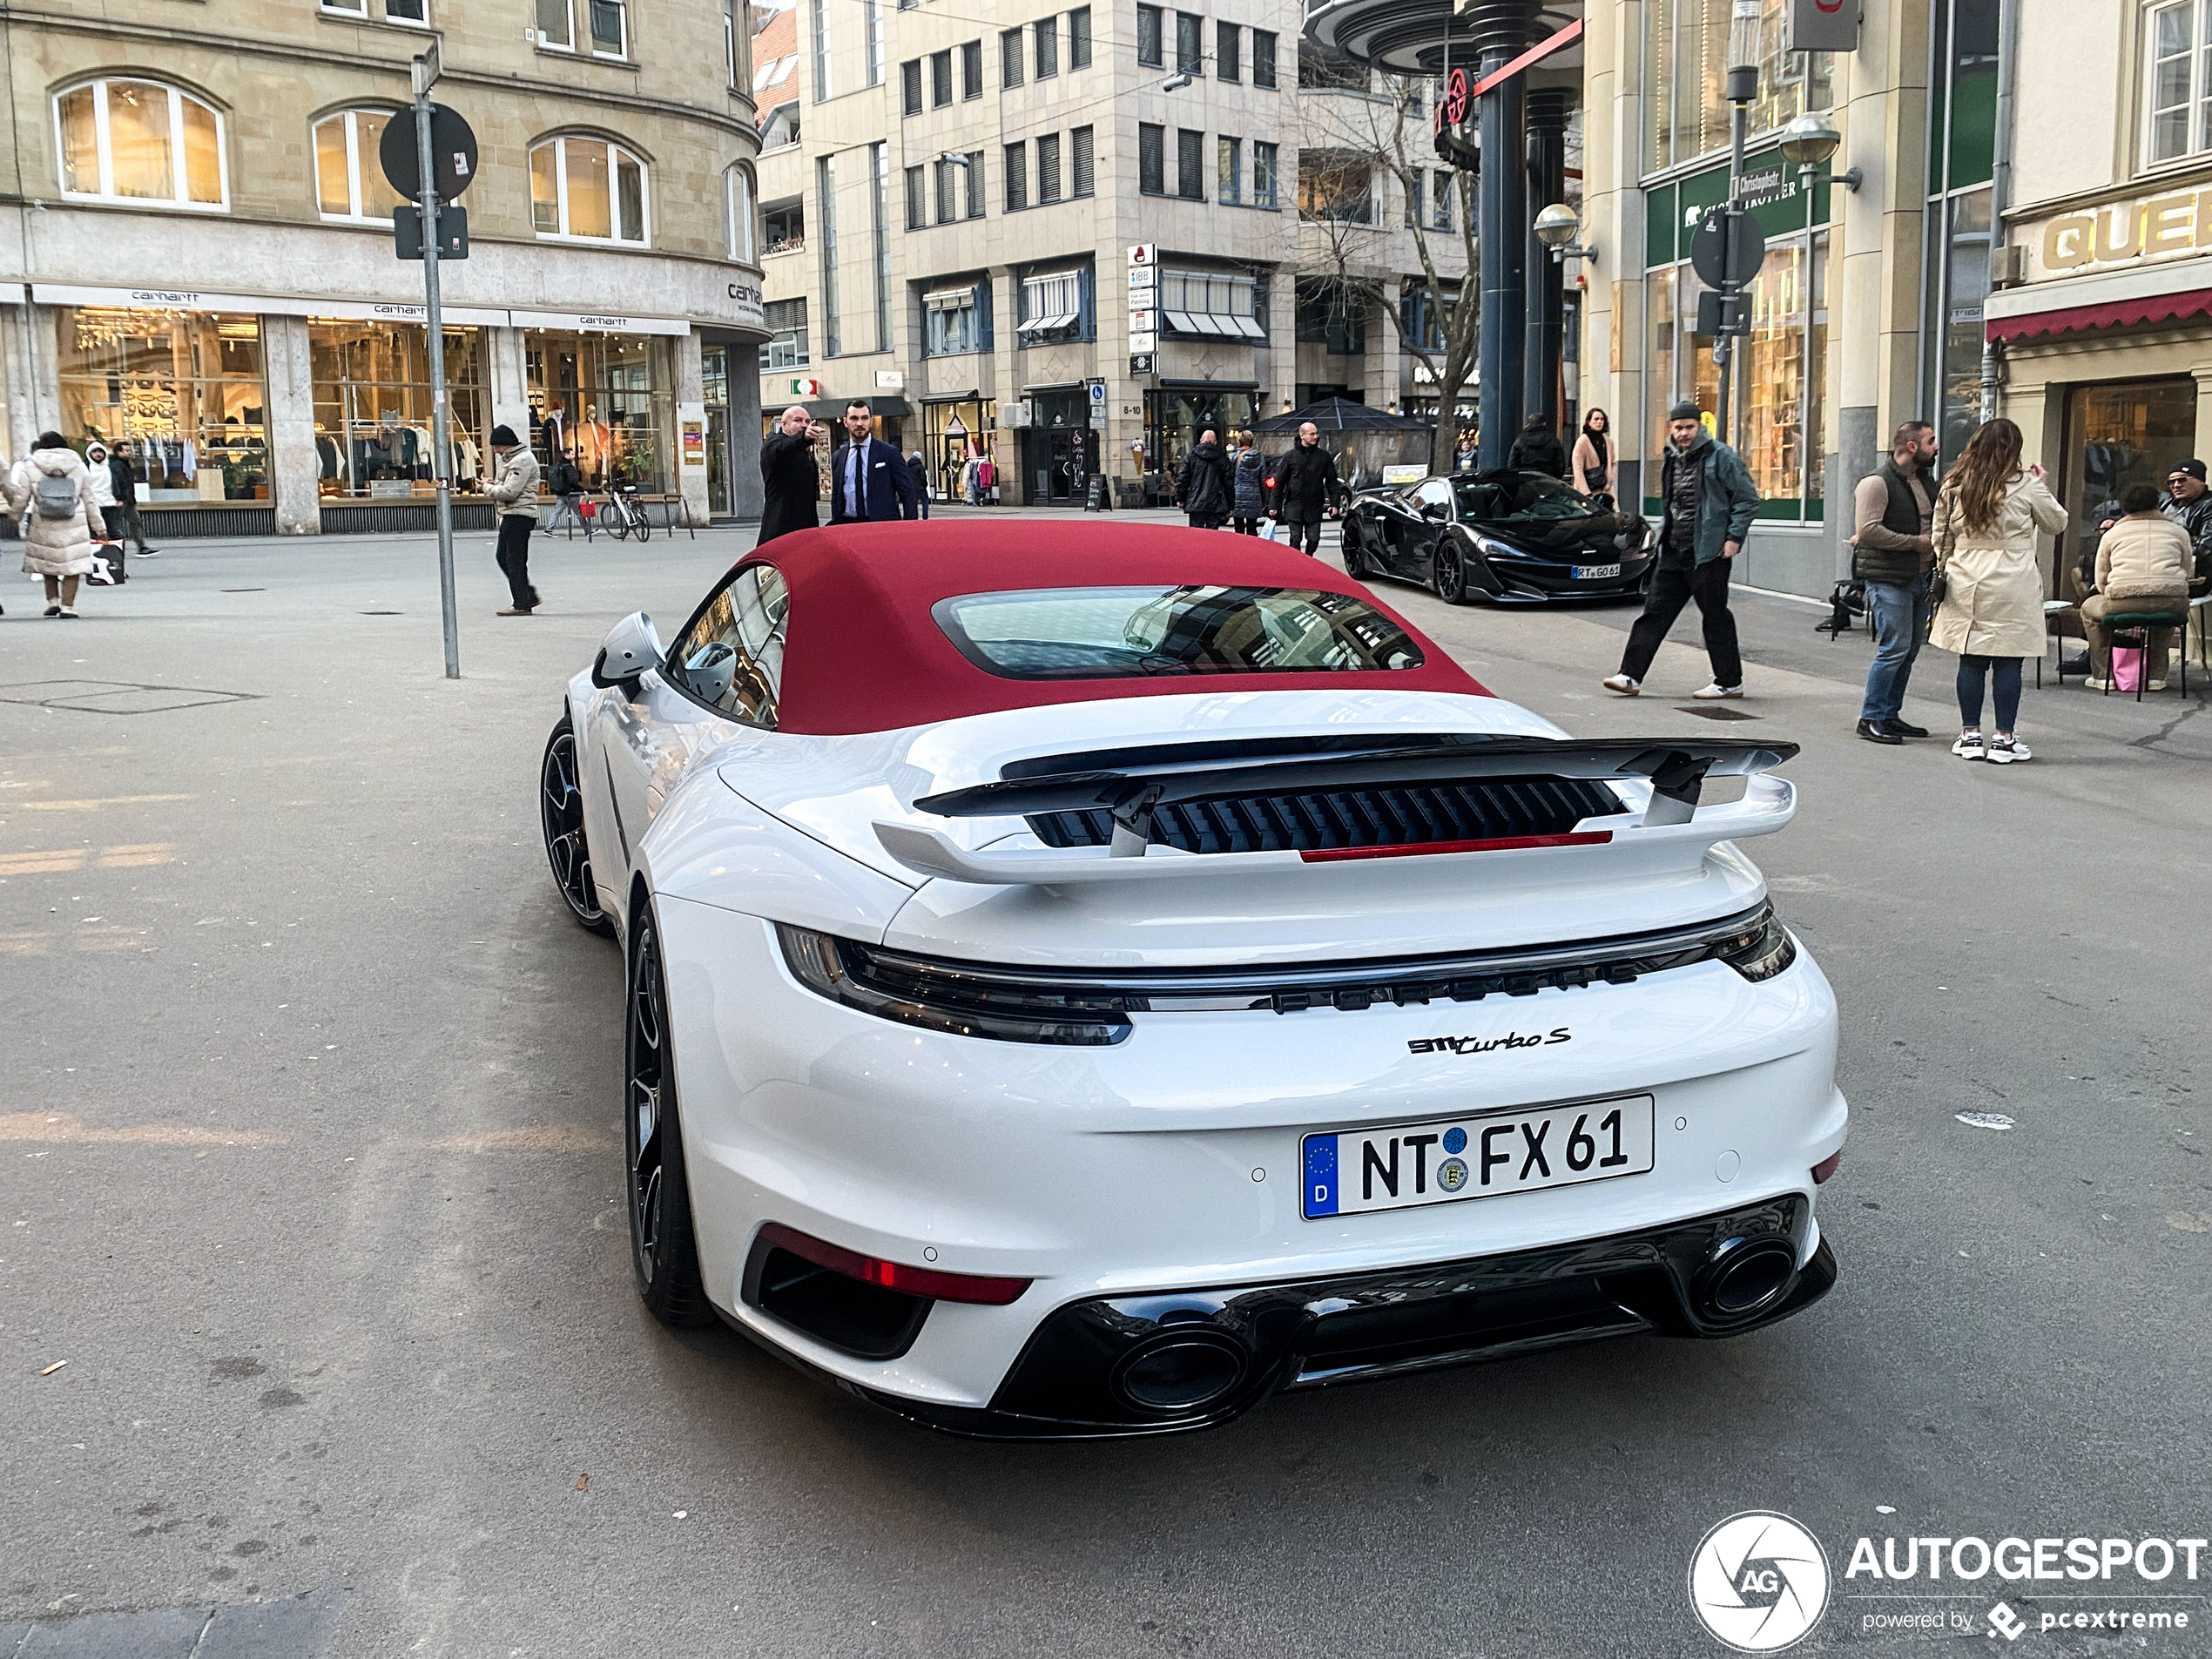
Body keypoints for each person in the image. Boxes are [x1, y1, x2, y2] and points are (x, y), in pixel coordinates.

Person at [1929, 416, 2067, 763]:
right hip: (2013, 579)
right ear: (2014, 450)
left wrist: (1946, 566)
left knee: (1971, 660)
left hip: (1966, 576)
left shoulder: (1955, 486)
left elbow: (1940, 537)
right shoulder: (2027, 486)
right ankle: (2004, 739)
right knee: (2009, 661)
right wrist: (2042, 484)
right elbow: (2057, 523)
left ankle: (1970, 734)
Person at [1602, 401, 1757, 700]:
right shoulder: (1671, 457)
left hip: (1708, 553)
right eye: (1678, 427)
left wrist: (1733, 537)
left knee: (1715, 616)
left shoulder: (1720, 456)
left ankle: (1729, 681)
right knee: (1654, 614)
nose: (1684, 433)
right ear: (1670, 429)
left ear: (1700, 427)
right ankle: (1630, 676)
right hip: (1674, 550)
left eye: (1689, 426)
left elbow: (1747, 500)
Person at [1849, 420, 1939, 744]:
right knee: (1894, 647)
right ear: (1911, 447)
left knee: (1910, 648)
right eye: (1931, 441)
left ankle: (1889, 713)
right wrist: (1917, 543)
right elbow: (1870, 530)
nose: (1936, 446)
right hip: (1889, 577)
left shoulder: (1926, 481)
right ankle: (1870, 716)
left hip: (1920, 576)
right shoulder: (1876, 482)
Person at [2081, 482, 2192, 691]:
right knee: (2163, 618)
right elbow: (2187, 570)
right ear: (2157, 504)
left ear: (2125, 507)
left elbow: (2101, 579)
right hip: (2171, 601)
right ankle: (2156, 677)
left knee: (2089, 609)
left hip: (2124, 602)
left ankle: (2104, 675)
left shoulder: (2112, 534)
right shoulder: (2179, 532)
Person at [12, 431, 105, 619]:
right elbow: (89, 497)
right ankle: (68, 606)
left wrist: (15, 515)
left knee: (49, 562)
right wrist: (98, 525)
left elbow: (22, 496)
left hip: (44, 518)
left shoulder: (31, 465)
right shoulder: (78, 465)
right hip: (74, 519)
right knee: (73, 565)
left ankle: (52, 601)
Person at [826, 401, 921, 523]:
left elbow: (908, 493)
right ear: (845, 422)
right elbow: (837, 497)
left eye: (864, 418)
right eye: (854, 418)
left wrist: (909, 526)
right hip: (848, 526)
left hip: (881, 526)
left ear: (871, 421)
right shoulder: (838, 457)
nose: (860, 423)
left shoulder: (889, 453)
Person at [485, 423, 543, 616]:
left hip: (519, 515)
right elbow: (509, 485)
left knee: (514, 560)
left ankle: (521, 603)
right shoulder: (514, 460)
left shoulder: (521, 461)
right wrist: (492, 484)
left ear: (506, 445)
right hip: (513, 514)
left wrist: (486, 489)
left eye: (497, 447)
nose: (495, 451)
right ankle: (527, 595)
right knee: (504, 557)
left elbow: (510, 491)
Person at [1270, 421, 1343, 556]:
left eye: (1316, 434)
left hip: (1314, 505)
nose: (1315, 437)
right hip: (1294, 504)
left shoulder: (1323, 456)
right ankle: (1296, 565)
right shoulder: (1290, 456)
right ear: (1302, 435)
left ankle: (1308, 559)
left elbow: (1332, 481)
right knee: (1295, 539)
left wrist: (1334, 503)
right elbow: (1280, 482)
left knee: (1314, 539)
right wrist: (1274, 505)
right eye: (1312, 434)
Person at [758, 404, 826, 545]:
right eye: (798, 420)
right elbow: (780, 451)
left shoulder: (803, 452)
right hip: (780, 529)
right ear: (784, 424)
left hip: (805, 529)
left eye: (807, 422)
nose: (804, 425)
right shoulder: (773, 444)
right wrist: (803, 438)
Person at [105, 439, 158, 558]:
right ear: (119, 452)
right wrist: (120, 498)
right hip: (121, 500)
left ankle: (141, 546)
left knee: (135, 522)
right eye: (127, 451)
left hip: (127, 500)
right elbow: (118, 483)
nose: (130, 453)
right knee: (117, 526)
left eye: (130, 450)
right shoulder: (116, 465)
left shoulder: (123, 464)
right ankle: (113, 548)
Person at [1177, 427, 1231, 529]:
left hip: (1196, 501)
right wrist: (1230, 505)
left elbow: (1183, 478)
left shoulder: (1191, 456)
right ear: (1215, 442)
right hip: (1215, 502)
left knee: (1196, 534)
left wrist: (1180, 498)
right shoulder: (1222, 458)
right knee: (1212, 535)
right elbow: (1228, 482)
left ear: (1201, 441)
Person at [83, 440, 123, 581]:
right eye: (94, 452)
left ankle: (117, 567)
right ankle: (94, 569)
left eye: (100, 451)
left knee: (115, 535)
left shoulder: (112, 467)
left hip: (111, 506)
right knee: (94, 538)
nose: (98, 454)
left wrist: (121, 498)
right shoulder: (85, 468)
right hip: (93, 507)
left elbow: (122, 483)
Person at [545, 448, 592, 542]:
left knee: (557, 512)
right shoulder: (569, 467)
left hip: (561, 493)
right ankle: (588, 530)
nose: (574, 456)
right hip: (571, 493)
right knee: (579, 512)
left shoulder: (559, 465)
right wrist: (582, 490)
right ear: (566, 455)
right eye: (572, 454)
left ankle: (548, 529)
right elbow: (573, 482)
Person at [1571, 409, 1616, 505]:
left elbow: (1613, 463)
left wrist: (1610, 480)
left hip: (1605, 490)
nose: (1599, 422)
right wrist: (1586, 492)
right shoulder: (1582, 441)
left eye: (1602, 419)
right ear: (1589, 421)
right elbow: (1578, 468)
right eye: (1596, 419)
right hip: (1589, 489)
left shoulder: (1608, 442)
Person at [1507, 411, 1568, 479]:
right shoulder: (1553, 441)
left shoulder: (1520, 441)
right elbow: (1560, 465)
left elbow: (1512, 464)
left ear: (1529, 424)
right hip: (1548, 479)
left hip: (1525, 479)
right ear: (1544, 424)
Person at [1231, 433, 1267, 536]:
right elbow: (1262, 480)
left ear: (1239, 442)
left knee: (1239, 529)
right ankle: (1253, 550)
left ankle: (1240, 550)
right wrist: (1264, 499)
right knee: (1252, 528)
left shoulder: (1234, 457)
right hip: (1254, 495)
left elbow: (1229, 478)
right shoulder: (1259, 457)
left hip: (1237, 495)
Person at [906, 448, 931, 519]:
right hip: (921, 488)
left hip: (912, 488)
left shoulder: (908, 466)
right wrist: (925, 485)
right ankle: (925, 516)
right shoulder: (920, 467)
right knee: (925, 502)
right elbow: (923, 478)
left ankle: (914, 517)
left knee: (913, 503)